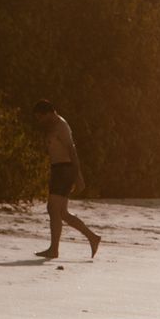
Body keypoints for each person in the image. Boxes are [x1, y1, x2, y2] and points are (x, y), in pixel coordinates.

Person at [32, 101, 100, 260]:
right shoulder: (52, 126)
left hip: (65, 169)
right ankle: (92, 237)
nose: (39, 121)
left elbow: (72, 152)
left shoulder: (61, 126)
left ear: (48, 113)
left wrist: (79, 177)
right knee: (61, 212)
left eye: (40, 117)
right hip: (58, 169)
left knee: (53, 208)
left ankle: (54, 250)